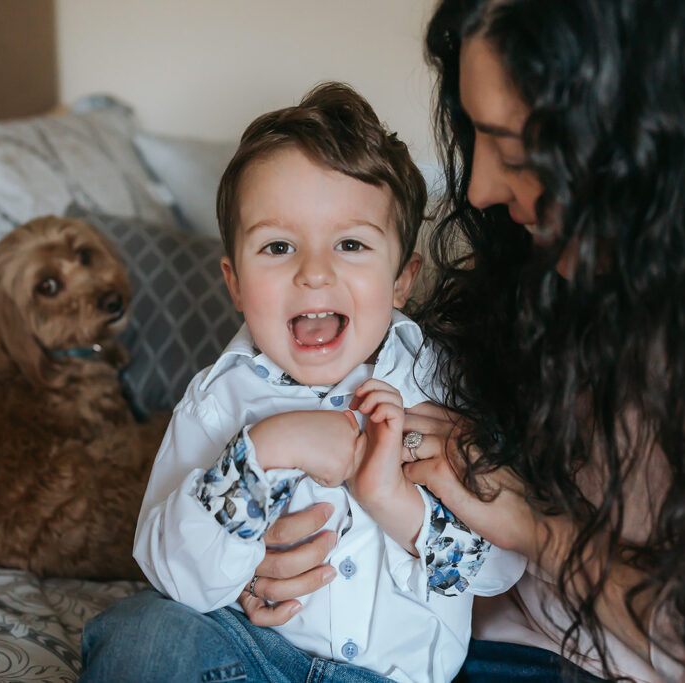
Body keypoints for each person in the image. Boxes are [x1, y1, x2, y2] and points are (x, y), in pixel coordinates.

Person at [244, 1, 685, 681]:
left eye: (515, 149)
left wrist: (538, 529)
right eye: (475, 135)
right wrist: (257, 559)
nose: (478, 187)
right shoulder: (528, 280)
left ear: (645, 149)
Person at [79, 82, 526, 683]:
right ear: (235, 284)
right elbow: (171, 574)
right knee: (143, 634)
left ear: (402, 280)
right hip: (254, 656)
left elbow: (501, 567)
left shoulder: (441, 386)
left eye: (350, 243)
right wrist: (269, 445)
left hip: (391, 677)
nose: (314, 273)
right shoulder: (218, 400)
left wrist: (392, 500)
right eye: (279, 246)